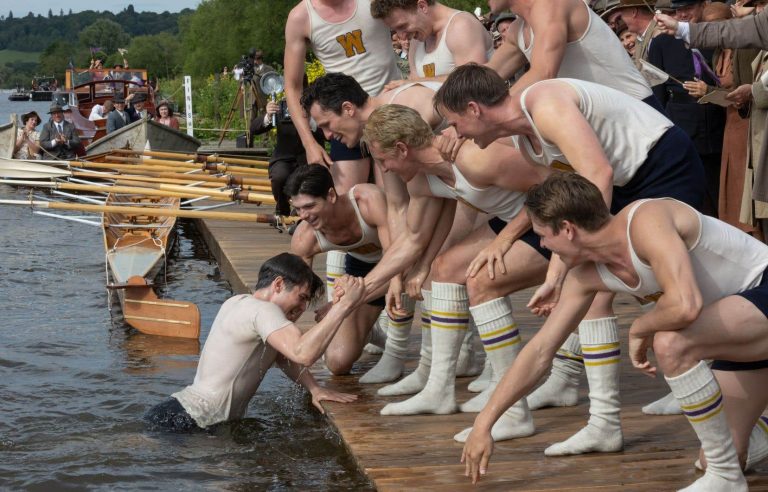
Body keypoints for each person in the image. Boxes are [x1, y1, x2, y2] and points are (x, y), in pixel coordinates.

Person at [434, 64, 706, 452]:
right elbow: (563, 193)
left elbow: (596, 174)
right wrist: (536, 254)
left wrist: (562, 267)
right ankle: (605, 422)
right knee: (597, 288)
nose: (454, 133)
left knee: (661, 286)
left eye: (454, 122)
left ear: (475, 109)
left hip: (662, 163)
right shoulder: (527, 138)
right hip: (628, 178)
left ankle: (697, 376)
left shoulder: (543, 104)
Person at [461, 173, 768, 491]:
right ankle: (727, 464)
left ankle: (725, 478)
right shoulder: (586, 277)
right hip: (740, 331)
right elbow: (540, 351)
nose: (542, 245)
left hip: (761, 292)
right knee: (720, 455)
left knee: (672, 343)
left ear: (567, 229)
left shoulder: (647, 220)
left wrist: (638, 328)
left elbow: (685, 305)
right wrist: (484, 423)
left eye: (542, 236)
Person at [360, 104, 550, 440]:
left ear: (402, 149)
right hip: (512, 219)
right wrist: (402, 274)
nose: (384, 170)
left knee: (481, 281)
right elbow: (415, 237)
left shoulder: (473, 159)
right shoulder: (423, 178)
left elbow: (548, 184)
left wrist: (504, 240)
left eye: (383, 160)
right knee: (445, 268)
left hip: (551, 215)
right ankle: (439, 390)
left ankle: (514, 411)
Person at [145, 253, 361, 431]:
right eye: (302, 297)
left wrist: (314, 389)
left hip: (179, 413)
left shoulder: (238, 302)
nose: (303, 308)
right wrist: (343, 307)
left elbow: (283, 357)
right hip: (191, 422)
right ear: (278, 284)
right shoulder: (263, 310)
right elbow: (302, 353)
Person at [286, 165, 415, 382]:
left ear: (331, 195)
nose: (304, 216)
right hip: (361, 268)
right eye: (298, 209)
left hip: (397, 259)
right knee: (337, 362)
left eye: (310, 206)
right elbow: (296, 297)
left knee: (402, 275)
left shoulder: (367, 200)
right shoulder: (304, 238)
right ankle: (366, 331)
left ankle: (396, 353)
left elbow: (396, 257)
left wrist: (341, 304)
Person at [284, 0, 401, 180]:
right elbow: (293, 87)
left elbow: (412, 25)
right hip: (343, 118)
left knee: (395, 196)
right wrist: (309, 144)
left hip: (387, 110)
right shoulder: (301, 17)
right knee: (348, 198)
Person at [486, 0, 655, 108]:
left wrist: (488, 113)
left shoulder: (551, 5)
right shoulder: (518, 29)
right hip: (609, 121)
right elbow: (483, 78)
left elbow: (543, 72)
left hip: (640, 112)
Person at [648, 0, 725, 218]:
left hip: (719, 122)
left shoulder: (718, 35)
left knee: (723, 192)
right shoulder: (662, 42)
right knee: (694, 195)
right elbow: (658, 91)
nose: (682, 14)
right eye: (678, 10)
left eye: (688, 8)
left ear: (703, 5)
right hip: (683, 124)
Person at [370, 0, 494, 82]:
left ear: (422, 6)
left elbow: (473, 82)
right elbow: (416, 82)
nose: (401, 36)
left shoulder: (461, 26)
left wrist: (414, 84)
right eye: (395, 30)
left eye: (403, 26)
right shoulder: (416, 40)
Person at [251, 93, 324, 217]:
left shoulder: (317, 107)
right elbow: (254, 129)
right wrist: (268, 115)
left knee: (308, 182)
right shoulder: (281, 107)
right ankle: (282, 207)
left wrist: (310, 120)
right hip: (284, 157)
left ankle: (305, 212)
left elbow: (328, 134)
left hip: (308, 157)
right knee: (279, 176)